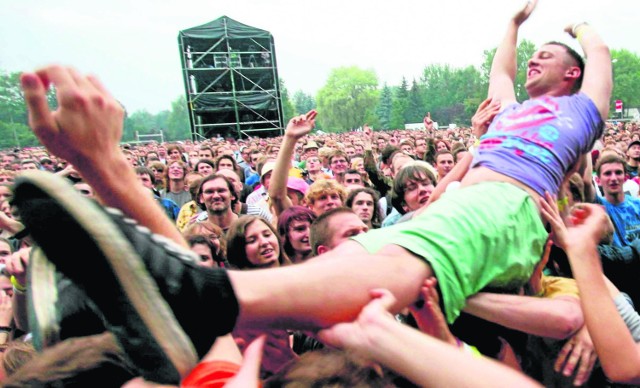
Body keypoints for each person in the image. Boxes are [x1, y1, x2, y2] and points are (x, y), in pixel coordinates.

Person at [15, 2, 610, 382]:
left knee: (388, 251)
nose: (534, 59)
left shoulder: (580, 115)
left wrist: (581, 30)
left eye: (549, 56)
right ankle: (196, 295)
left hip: (508, 204)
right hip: (474, 215)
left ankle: (200, 295)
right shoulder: (507, 112)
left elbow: (602, 58)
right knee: (368, 252)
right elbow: (500, 74)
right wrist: (510, 27)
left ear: (573, 74)